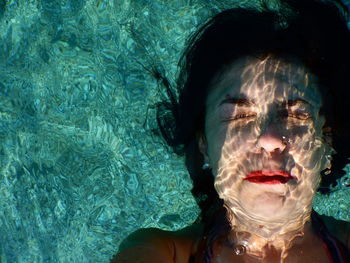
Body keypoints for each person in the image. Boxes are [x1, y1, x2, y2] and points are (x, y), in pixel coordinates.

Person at [111, 0, 350, 262]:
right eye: (239, 116)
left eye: (294, 115)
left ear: (326, 141)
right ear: (203, 143)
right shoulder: (161, 251)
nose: (270, 140)